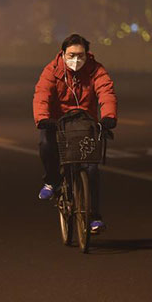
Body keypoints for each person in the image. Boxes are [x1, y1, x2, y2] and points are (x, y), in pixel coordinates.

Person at [32, 33, 117, 233]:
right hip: (56, 123)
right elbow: (41, 95)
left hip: (83, 123)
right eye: (71, 55)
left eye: (80, 55)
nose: (75, 60)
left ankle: (94, 217)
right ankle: (52, 181)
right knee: (46, 145)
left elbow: (106, 92)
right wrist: (43, 119)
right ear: (63, 54)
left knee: (92, 169)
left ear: (87, 55)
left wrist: (108, 117)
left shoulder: (96, 70)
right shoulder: (51, 71)